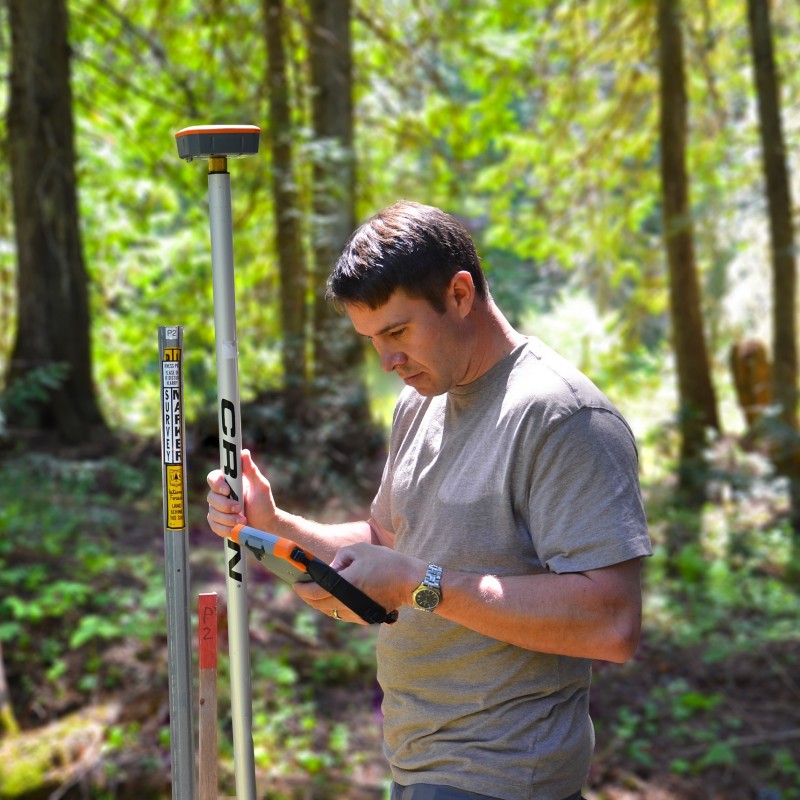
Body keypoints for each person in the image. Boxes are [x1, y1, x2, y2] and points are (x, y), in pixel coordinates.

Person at [206, 201, 652, 800]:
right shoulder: (421, 401)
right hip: (417, 767)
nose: (388, 361)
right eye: (371, 340)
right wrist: (275, 526)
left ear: (461, 293)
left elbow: (612, 622)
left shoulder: (563, 417)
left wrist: (423, 583)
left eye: (397, 331)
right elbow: (388, 546)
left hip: (506, 778)